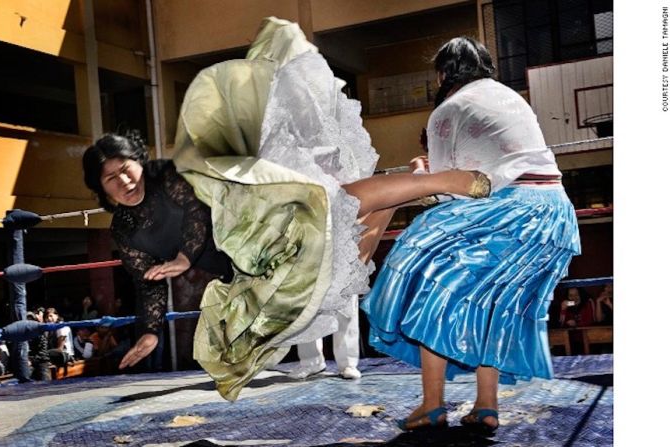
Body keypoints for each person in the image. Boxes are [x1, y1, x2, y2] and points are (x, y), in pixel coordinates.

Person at [82, 18, 487, 401]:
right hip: (245, 259)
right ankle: (412, 188)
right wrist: (150, 331)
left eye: (125, 168)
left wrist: (186, 254)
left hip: (257, 229)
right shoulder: (126, 228)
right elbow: (148, 281)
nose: (123, 180)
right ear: (101, 189)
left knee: (337, 238)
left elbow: (196, 211)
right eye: (110, 178)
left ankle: (424, 184)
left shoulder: (170, 175)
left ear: (138, 160)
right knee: (337, 265)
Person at [360, 36, 581, 435]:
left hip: (510, 209)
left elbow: (446, 189)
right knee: (493, 303)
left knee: (425, 277)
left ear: (443, 74)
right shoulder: (510, 96)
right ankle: (486, 407)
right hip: (554, 216)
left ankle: (431, 405)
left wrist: (415, 175)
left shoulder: (449, 109)